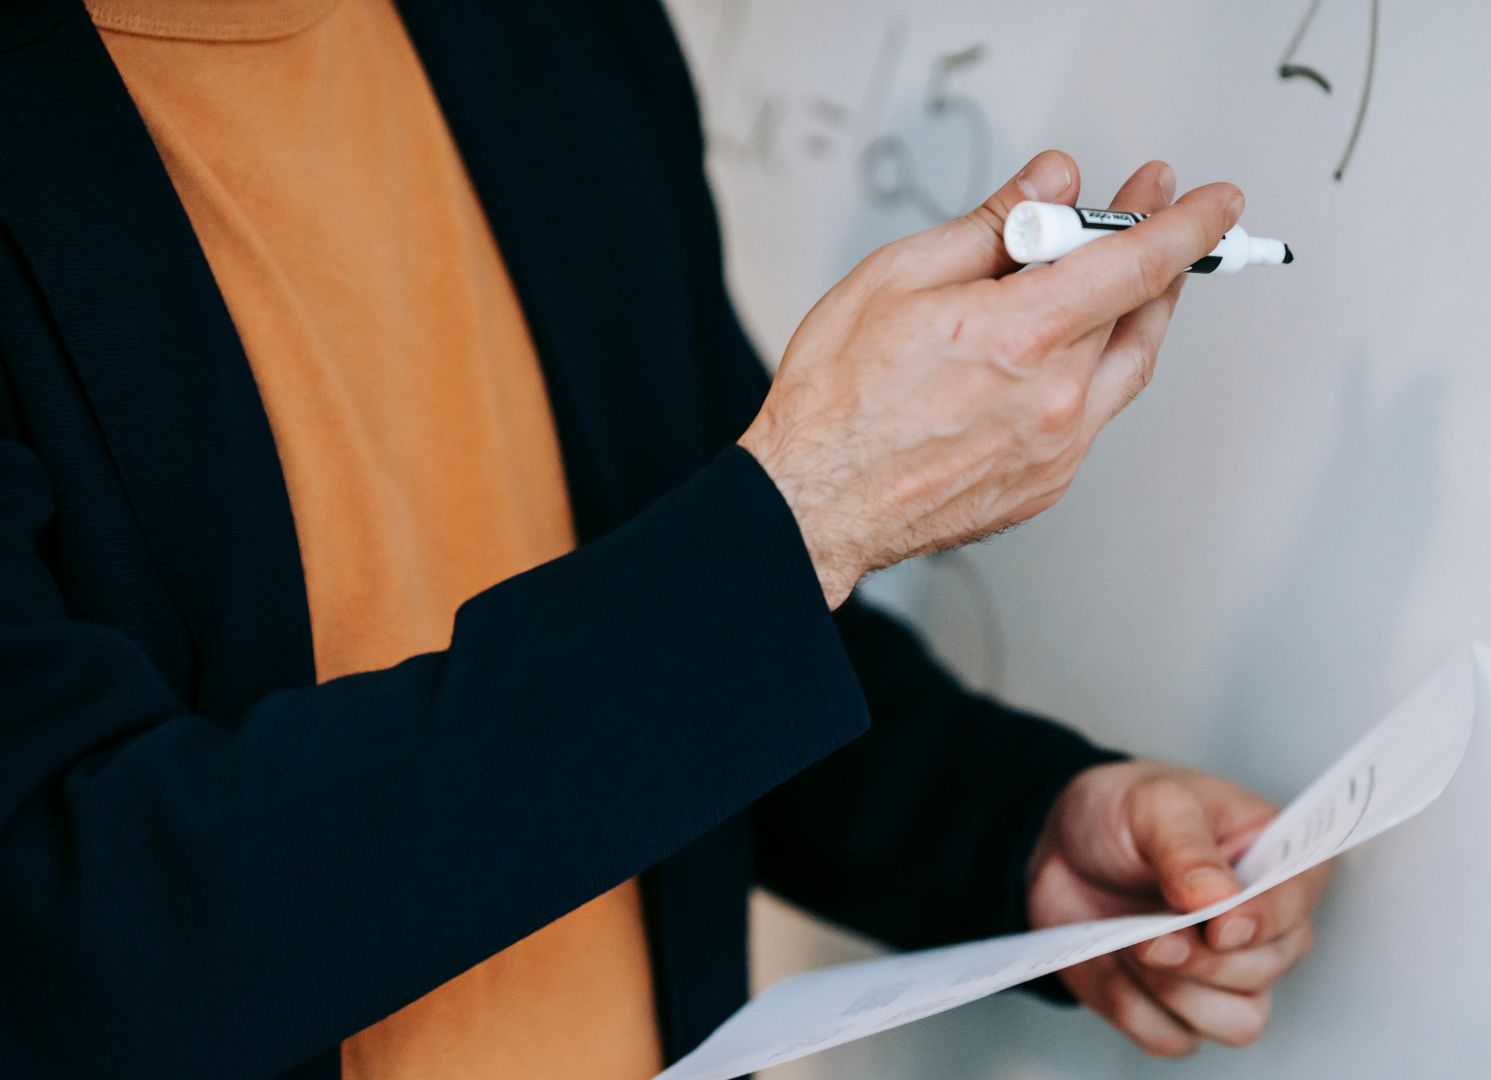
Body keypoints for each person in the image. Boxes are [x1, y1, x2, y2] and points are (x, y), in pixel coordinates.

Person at [0, 0, 1330, 1076]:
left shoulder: (558, 34)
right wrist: (810, 517)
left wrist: (1013, 828)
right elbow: (71, 937)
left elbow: (668, 635)